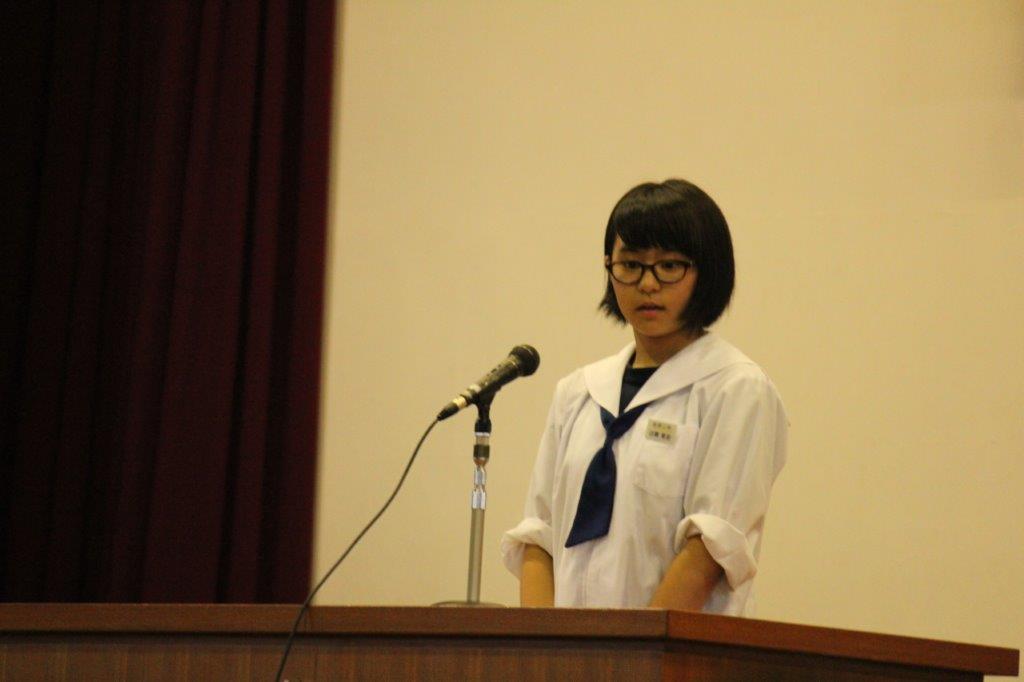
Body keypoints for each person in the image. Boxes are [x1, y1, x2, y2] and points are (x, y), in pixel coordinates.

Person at [500, 179, 787, 615]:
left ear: (707, 271)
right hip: (569, 649)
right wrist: (542, 647)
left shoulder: (736, 388)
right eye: (631, 265)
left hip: (670, 650)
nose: (648, 284)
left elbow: (710, 545)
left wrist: (634, 649)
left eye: (669, 266)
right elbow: (539, 536)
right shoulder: (578, 392)